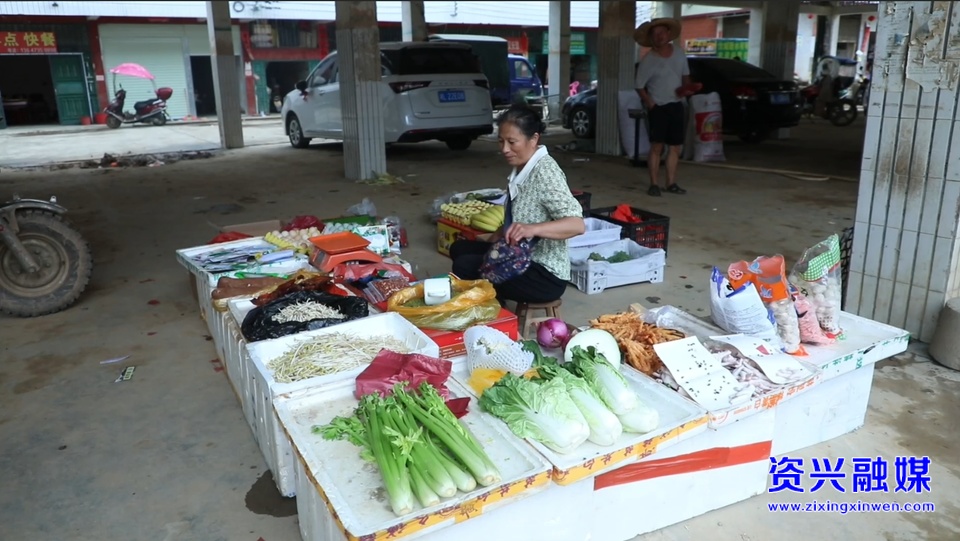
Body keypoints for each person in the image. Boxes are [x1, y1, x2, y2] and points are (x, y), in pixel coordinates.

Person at [450, 103, 585, 304]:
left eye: (512, 142)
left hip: (543, 275)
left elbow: (577, 225)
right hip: (518, 255)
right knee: (459, 249)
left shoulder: (545, 173)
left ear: (534, 139)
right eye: (501, 141)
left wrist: (532, 229)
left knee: (465, 266)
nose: (505, 149)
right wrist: (499, 234)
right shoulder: (522, 167)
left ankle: (495, 308)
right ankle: (496, 299)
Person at [634, 18, 691, 197]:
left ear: (668, 34)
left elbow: (686, 76)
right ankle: (654, 184)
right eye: (655, 34)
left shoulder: (679, 53)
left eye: (661, 33)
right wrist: (650, 104)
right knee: (657, 146)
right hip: (658, 107)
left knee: (675, 147)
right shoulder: (648, 60)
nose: (659, 37)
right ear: (651, 38)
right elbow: (639, 86)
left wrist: (687, 88)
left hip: (677, 105)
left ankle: (671, 183)